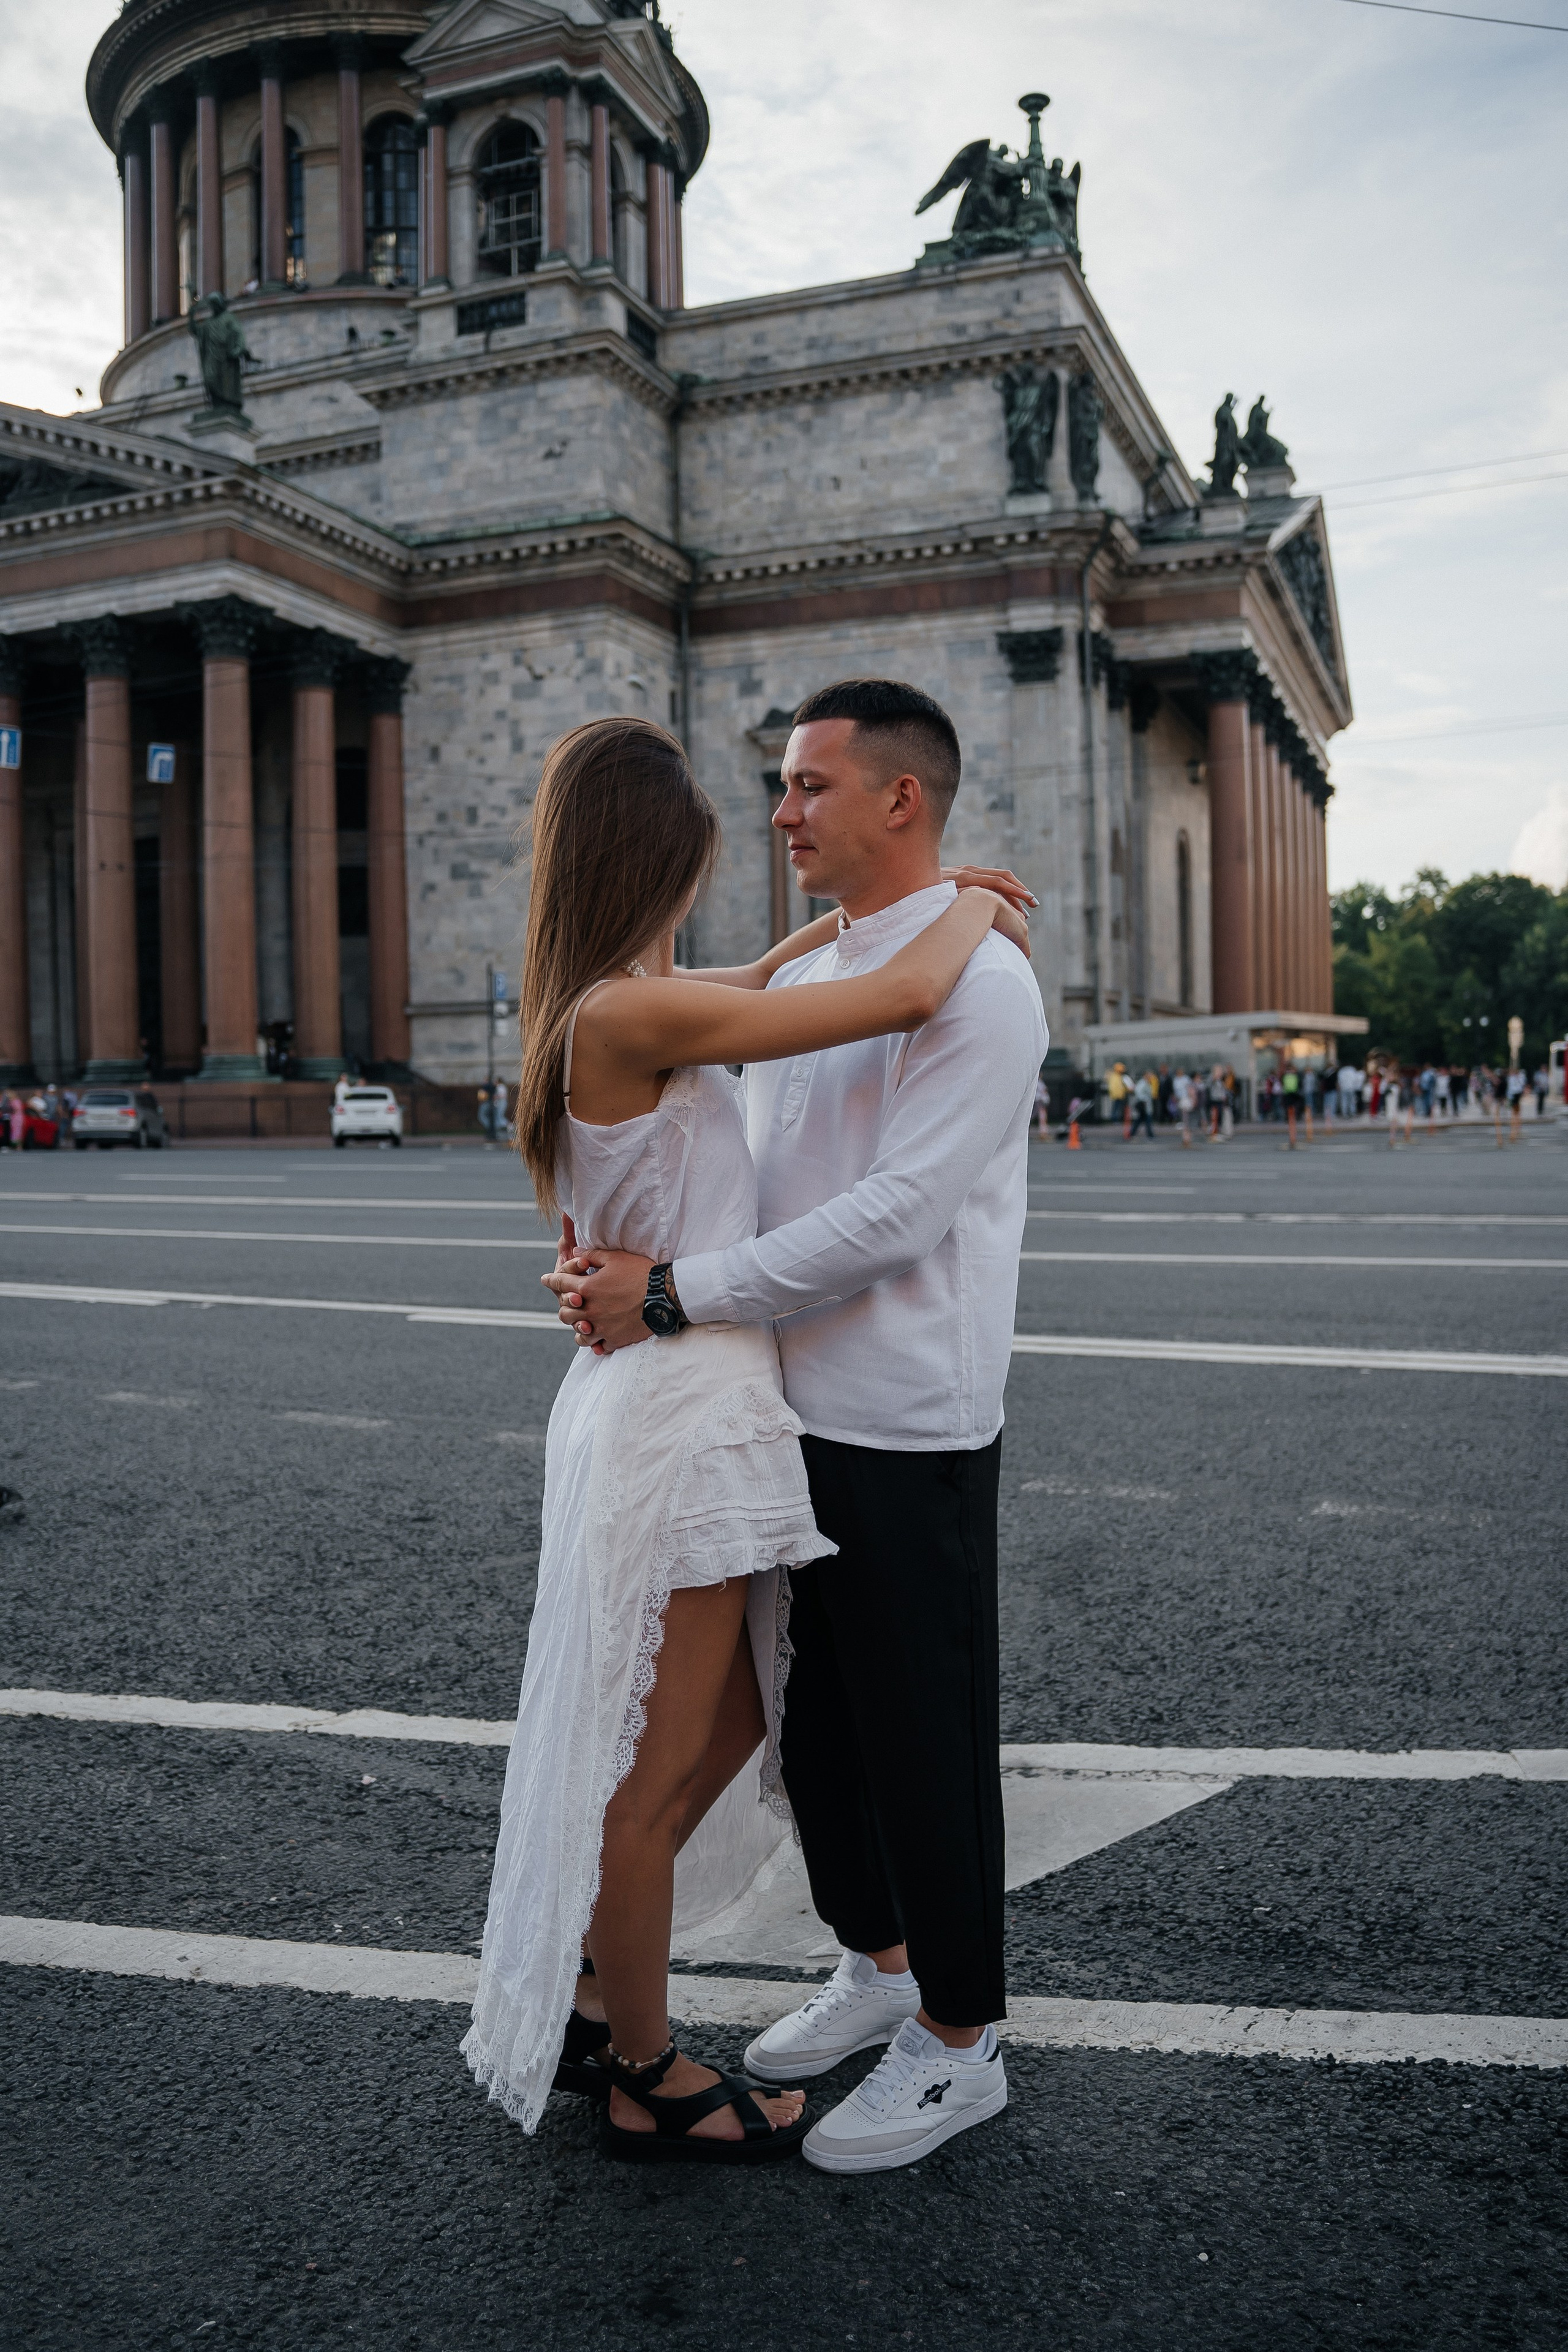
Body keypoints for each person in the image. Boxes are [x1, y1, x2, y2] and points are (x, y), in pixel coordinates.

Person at [466, 706, 1035, 2169]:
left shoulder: (624, 997)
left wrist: (648, 1277)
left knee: (773, 1726)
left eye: (803, 788)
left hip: (753, 1398)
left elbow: (821, 1043)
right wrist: (966, 894)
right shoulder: (640, 1011)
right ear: (655, 862)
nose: (777, 821)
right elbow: (894, 989)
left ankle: (913, 2015)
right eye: (756, 804)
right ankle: (648, 2054)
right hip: (697, 1397)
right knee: (694, 1751)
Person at [1128, 1071, 1155, 1139]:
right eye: (1149, 1077)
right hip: (1144, 1105)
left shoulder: (1146, 1083)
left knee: (1139, 1120)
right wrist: (1144, 1100)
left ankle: (1132, 1133)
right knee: (1147, 1120)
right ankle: (1150, 1135)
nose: (1150, 1078)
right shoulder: (1143, 1083)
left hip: (1145, 1105)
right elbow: (1139, 1092)